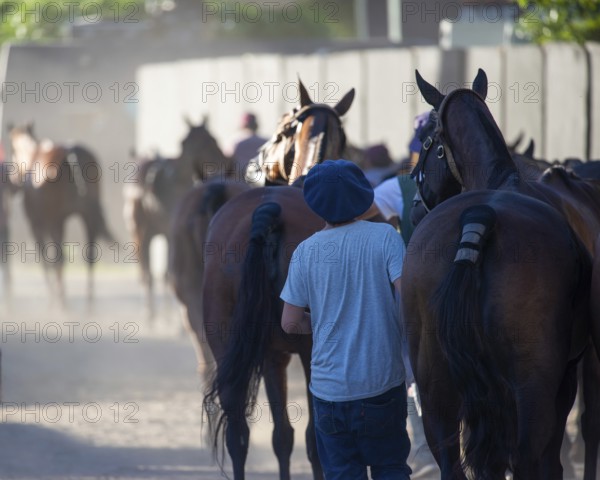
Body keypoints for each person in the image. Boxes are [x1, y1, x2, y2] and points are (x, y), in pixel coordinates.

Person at [280, 159, 412, 480]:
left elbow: (290, 322)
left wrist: (323, 323)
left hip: (328, 392)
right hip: (382, 384)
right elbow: (408, 297)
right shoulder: (385, 237)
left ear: (314, 202)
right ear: (363, 195)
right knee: (391, 468)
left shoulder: (305, 252)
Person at [230, 112, 268, 179]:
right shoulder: (266, 142)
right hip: (261, 180)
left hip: (239, 180)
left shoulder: (236, 141)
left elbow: (228, 159)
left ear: (243, 126)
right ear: (256, 125)